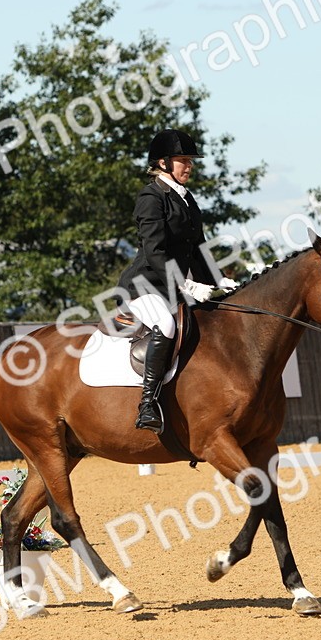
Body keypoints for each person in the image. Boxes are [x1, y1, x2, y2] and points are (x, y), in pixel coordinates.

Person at [116, 128, 237, 433]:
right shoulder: (151, 197)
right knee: (167, 326)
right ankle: (147, 405)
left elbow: (199, 249)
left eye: (189, 160)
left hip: (175, 287)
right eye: (183, 160)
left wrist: (219, 282)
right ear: (163, 162)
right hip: (145, 286)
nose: (190, 166)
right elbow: (154, 251)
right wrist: (185, 283)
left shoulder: (186, 199)